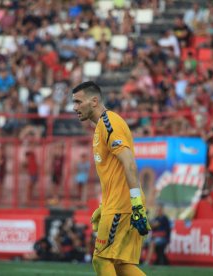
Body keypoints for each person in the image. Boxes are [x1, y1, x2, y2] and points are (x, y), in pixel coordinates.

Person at [72, 81, 151, 276]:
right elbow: (113, 173)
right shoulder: (100, 127)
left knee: (101, 260)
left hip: (123, 205)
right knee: (119, 264)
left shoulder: (110, 124)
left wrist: (136, 205)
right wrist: (103, 205)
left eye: (78, 102)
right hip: (116, 204)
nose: (75, 108)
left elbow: (129, 163)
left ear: (94, 101)